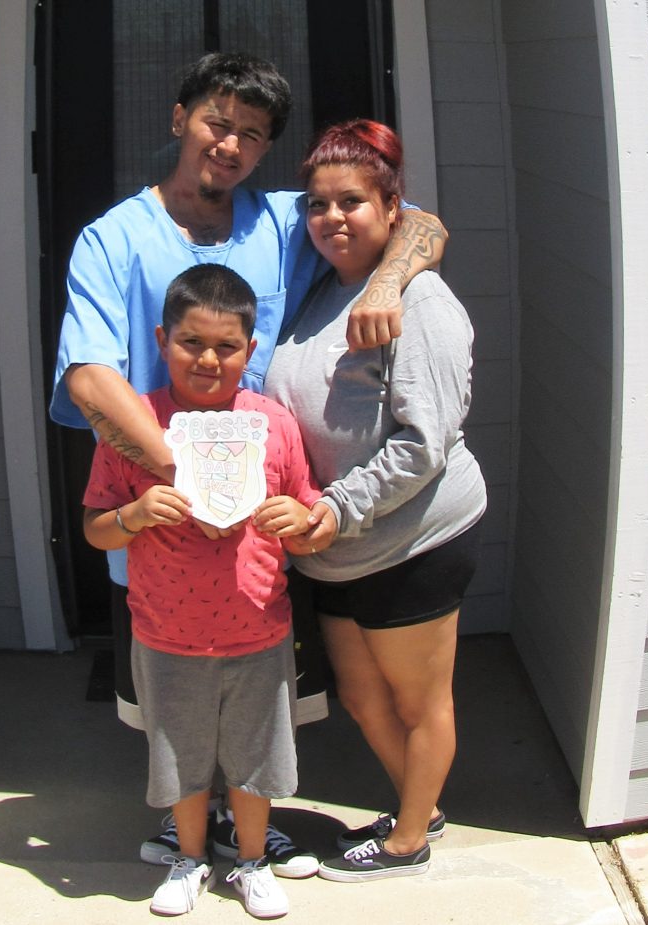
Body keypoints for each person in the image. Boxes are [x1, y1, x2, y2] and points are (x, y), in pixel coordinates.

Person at [50, 51, 447, 874]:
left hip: (260, 528)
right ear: (179, 119)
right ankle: (186, 824)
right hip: (161, 522)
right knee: (172, 686)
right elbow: (89, 374)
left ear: (265, 151)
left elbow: (418, 223)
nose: (229, 144)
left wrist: (385, 287)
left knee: (257, 676)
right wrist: (182, 474)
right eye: (216, 122)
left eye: (252, 135)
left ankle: (244, 825)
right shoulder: (114, 238)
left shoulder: (279, 222)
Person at [262, 119, 487, 882]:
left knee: (421, 702)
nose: (331, 218)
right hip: (337, 545)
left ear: (393, 208)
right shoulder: (325, 285)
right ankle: (420, 804)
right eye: (318, 205)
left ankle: (408, 840)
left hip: (411, 537)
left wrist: (334, 507)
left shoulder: (420, 301)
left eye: (350, 202)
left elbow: (423, 443)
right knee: (360, 697)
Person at [83, 265, 323, 918]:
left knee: (254, 759)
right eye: (191, 343)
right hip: (167, 633)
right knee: (183, 759)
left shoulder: (273, 423)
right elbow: (95, 527)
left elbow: (307, 516)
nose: (209, 359)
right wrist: (134, 514)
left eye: (227, 346)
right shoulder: (137, 426)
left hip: (259, 631)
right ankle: (190, 856)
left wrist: (299, 523)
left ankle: (250, 860)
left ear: (252, 347)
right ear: (162, 339)